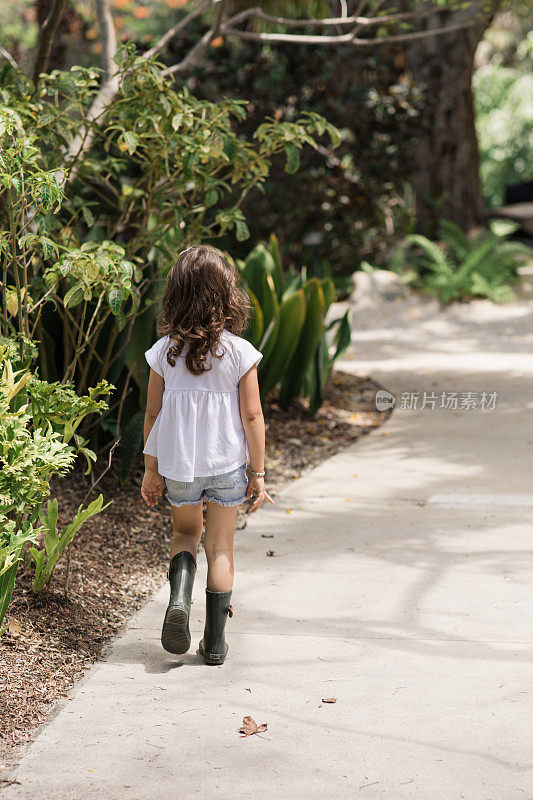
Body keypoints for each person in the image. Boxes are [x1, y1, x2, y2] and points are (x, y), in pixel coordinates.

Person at [140, 244, 274, 666]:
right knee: (220, 549)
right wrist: (259, 472)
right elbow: (253, 415)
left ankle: (179, 598)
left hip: (179, 465)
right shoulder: (238, 351)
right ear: (226, 295)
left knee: (185, 536)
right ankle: (214, 644)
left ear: (176, 295)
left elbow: (152, 412)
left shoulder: (165, 352)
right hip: (226, 466)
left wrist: (151, 468)